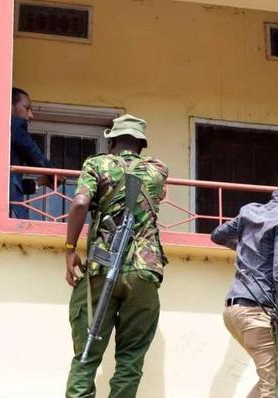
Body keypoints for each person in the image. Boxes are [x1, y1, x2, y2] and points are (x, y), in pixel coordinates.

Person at [63, 114, 169, 398]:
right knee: (130, 359)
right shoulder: (158, 170)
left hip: (102, 266)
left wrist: (70, 249)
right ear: (141, 145)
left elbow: (80, 203)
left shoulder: (97, 164)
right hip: (145, 270)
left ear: (110, 141)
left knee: (86, 355)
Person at [211, 164, 278, 398]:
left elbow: (217, 234)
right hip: (257, 314)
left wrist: (245, 248)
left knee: (276, 381)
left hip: (233, 313)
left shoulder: (249, 211)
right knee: (274, 389)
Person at [10, 87, 52, 218]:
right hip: (10, 209)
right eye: (27, 108)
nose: (30, 115)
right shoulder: (13, 127)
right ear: (10, 106)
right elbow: (32, 152)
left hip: (10, 206)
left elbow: (14, 185)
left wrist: (41, 182)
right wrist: (52, 172)